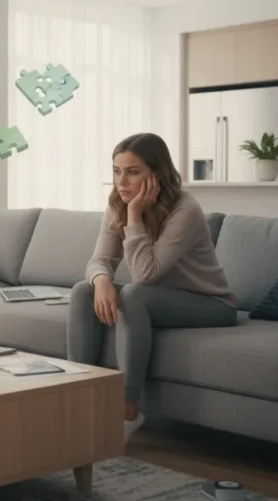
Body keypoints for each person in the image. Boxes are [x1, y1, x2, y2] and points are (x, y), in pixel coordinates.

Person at [68, 132, 238, 443]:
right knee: (83, 291)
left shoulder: (184, 209)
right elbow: (98, 261)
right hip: (160, 300)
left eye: (133, 172)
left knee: (134, 294)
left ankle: (128, 408)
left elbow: (146, 274)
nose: (122, 182)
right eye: (117, 171)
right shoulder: (116, 204)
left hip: (211, 304)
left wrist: (134, 216)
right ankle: (82, 397)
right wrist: (102, 281)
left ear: (155, 175)